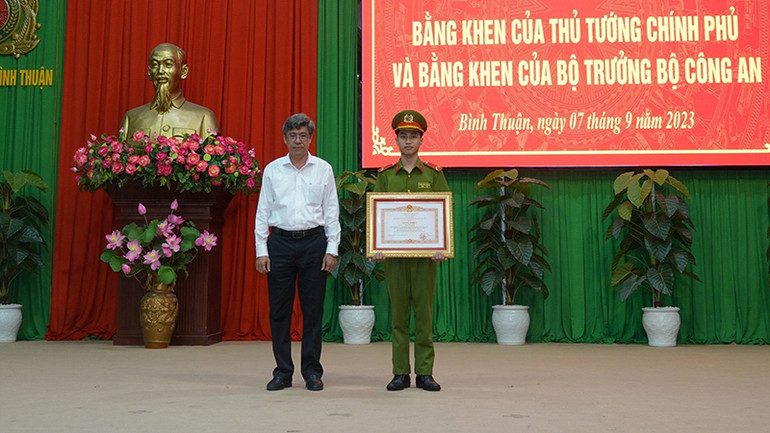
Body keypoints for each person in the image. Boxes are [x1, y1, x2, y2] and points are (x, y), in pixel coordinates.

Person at [254, 113, 340, 392]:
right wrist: (261, 250)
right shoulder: (272, 170)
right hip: (279, 244)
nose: (298, 141)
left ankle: (312, 372)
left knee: (313, 311)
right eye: (293, 136)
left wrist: (332, 249)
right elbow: (262, 213)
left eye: (303, 135)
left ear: (310, 138)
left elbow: (331, 213)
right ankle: (282, 372)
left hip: (314, 244)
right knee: (279, 311)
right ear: (284, 139)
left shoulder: (323, 169)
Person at [372, 110, 450, 392]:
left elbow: (444, 212)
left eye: (413, 136)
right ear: (395, 140)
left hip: (425, 259)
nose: (408, 141)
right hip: (393, 259)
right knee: (398, 315)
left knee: (424, 314)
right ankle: (400, 373)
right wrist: (377, 246)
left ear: (421, 140)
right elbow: (377, 215)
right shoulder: (385, 177)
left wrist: (441, 245)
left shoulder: (434, 174)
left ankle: (425, 373)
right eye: (403, 136)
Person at [120, 43, 219, 141]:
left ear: (183, 71)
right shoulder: (131, 118)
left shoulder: (204, 117)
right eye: (155, 65)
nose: (160, 71)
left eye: (168, 64)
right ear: (149, 72)